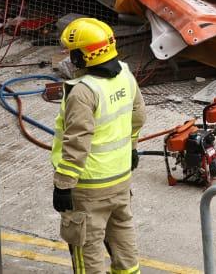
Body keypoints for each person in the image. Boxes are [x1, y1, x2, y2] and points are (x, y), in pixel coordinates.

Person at [51, 17, 145, 274]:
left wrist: (63, 184)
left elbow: (76, 143)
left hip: (89, 186)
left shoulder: (83, 92)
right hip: (120, 179)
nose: (71, 58)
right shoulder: (125, 74)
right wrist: (132, 148)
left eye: (74, 53)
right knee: (122, 234)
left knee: (86, 246)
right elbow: (138, 116)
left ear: (84, 57)